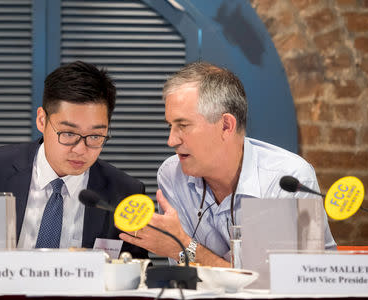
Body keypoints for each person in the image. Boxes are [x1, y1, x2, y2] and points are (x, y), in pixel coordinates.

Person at [0, 61, 147, 276]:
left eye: (96, 136)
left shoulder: (124, 192)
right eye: (68, 133)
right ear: (42, 120)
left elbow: (134, 272)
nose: (81, 149)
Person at [119, 61, 336, 267]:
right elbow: (190, 277)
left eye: (183, 125)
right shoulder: (172, 174)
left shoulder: (286, 179)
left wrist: (184, 247)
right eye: (170, 126)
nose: (171, 140)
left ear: (225, 126)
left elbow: (273, 287)